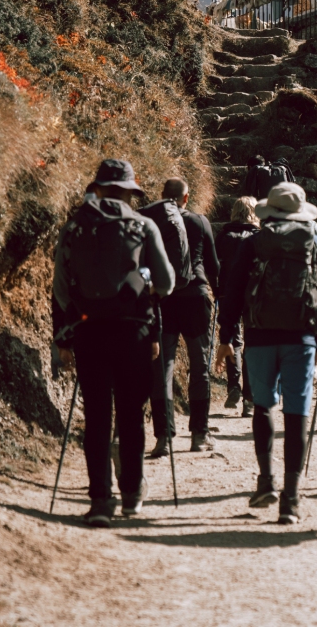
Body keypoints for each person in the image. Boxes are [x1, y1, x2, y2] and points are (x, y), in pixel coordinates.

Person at [52, 158, 174, 527]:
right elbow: (168, 282)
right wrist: (144, 286)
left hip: (90, 332)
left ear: (99, 187)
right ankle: (132, 493)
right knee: (131, 414)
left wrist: (69, 330)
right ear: (129, 191)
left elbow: (60, 289)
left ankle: (100, 501)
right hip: (133, 331)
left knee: (97, 418)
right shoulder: (143, 225)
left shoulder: (73, 227)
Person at [216, 182, 317, 525]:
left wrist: (227, 335)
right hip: (302, 337)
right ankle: (292, 498)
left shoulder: (255, 242)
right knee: (297, 411)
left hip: (259, 335)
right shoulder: (315, 240)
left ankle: (266, 479)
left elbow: (233, 289)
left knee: (263, 405)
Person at [141, 178, 221, 456]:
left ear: (162, 196)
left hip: (164, 300)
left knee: (162, 366)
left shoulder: (153, 222)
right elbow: (213, 265)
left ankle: (164, 437)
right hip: (197, 297)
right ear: (187, 197)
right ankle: (199, 434)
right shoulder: (200, 222)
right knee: (200, 366)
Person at [215, 195, 260, 416]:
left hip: (226, 292)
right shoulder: (258, 237)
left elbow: (213, 264)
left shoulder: (223, 235)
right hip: (253, 295)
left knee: (233, 338)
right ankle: (249, 399)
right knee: (251, 341)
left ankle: (233, 385)